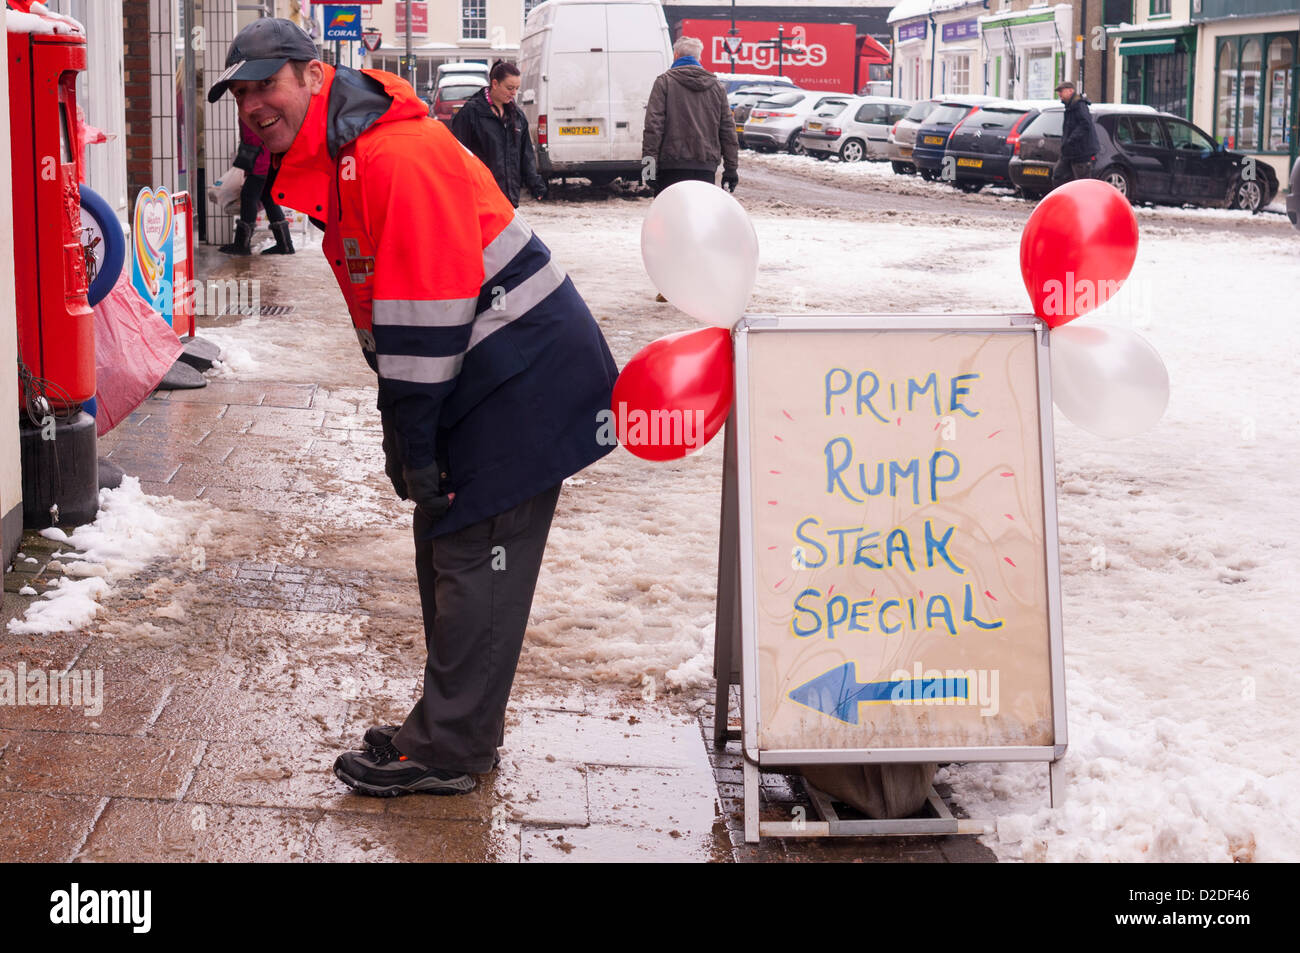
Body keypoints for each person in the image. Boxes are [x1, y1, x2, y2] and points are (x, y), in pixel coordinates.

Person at [208, 18, 619, 796]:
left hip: (519, 374)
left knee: (475, 548)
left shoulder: (389, 154)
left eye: (268, 84)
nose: (255, 103)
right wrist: (409, 431)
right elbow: (394, 306)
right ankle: (450, 722)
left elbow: (427, 307)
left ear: (310, 73)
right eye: (242, 92)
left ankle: (450, 747)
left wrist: (416, 437)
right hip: (486, 366)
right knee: (447, 540)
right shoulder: (347, 155)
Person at [642, 36, 739, 196]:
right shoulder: (716, 87)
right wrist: (731, 169)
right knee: (699, 216)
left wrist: (649, 170)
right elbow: (728, 131)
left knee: (670, 217)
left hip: (670, 168)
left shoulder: (664, 83)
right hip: (705, 168)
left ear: (676, 56)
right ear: (698, 58)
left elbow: (653, 128)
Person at [450, 60, 547, 208]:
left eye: (516, 88)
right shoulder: (470, 113)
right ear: (495, 84)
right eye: (509, 88)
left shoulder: (518, 116)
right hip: (481, 198)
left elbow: (526, 153)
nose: (514, 93)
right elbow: (457, 157)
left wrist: (535, 184)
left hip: (509, 197)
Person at [219, 117, 294, 255]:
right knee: (267, 198)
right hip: (266, 159)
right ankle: (285, 245)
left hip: (261, 161)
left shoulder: (252, 111)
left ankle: (242, 244)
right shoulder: (258, 108)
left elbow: (252, 137)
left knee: (248, 196)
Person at [1054, 80, 1099, 185]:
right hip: (1069, 152)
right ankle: (1065, 200)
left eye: (1061, 91)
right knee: (1058, 176)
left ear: (1071, 91)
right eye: (1058, 92)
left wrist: (1071, 139)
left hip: (1081, 153)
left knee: (1081, 183)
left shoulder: (1079, 105)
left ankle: (1081, 201)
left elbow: (1085, 124)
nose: (1059, 94)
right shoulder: (1069, 106)